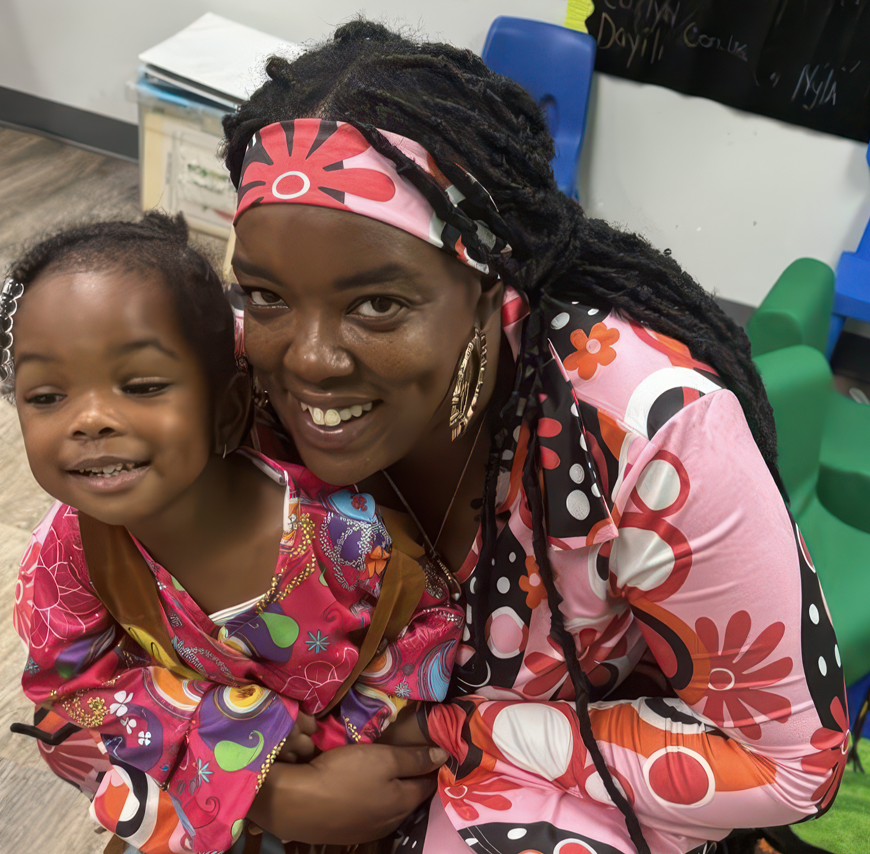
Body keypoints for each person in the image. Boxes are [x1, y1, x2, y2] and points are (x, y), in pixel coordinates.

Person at [220, 20, 851, 854]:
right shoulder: (226, 401)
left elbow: (791, 762)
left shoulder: (645, 432)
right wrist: (257, 788)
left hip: (560, 792)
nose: (308, 359)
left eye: (378, 305)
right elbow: (79, 666)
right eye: (266, 295)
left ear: (490, 289)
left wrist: (455, 737)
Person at [0, 212, 463, 854]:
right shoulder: (64, 557)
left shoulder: (342, 536)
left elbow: (424, 627)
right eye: (46, 396)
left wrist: (339, 762)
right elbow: (70, 701)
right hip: (195, 801)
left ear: (230, 408)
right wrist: (239, 740)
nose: (91, 420)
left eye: (143, 386)